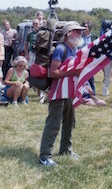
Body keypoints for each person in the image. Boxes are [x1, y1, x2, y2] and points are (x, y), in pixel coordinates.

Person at [39, 21, 85, 167]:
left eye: (80, 31)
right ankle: (45, 155)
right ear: (67, 34)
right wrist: (73, 72)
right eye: (76, 31)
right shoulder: (60, 49)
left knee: (69, 122)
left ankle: (66, 149)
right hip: (58, 92)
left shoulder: (74, 49)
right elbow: (53, 72)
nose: (79, 34)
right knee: (53, 124)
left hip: (69, 92)